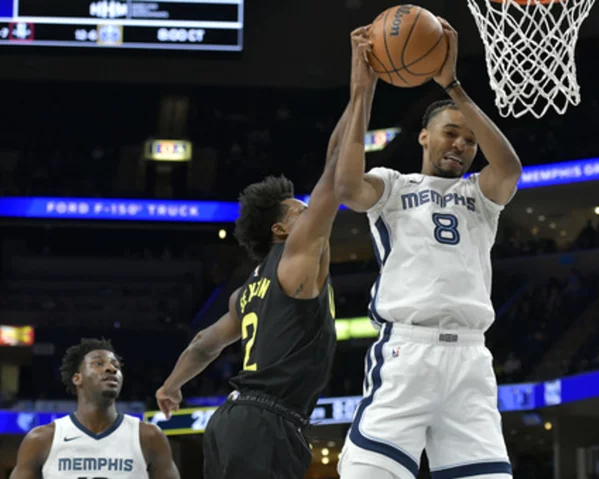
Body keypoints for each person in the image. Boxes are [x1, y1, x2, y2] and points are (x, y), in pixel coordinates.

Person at [154, 45, 377, 478]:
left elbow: (205, 343)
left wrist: (171, 384)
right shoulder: (296, 257)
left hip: (234, 422)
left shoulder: (246, 291)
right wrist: (362, 84)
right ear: (279, 229)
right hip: (264, 424)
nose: (310, 212)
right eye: (300, 210)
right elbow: (335, 169)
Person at [335, 19, 522, 479]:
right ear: (423, 136)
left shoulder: (482, 194)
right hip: (407, 354)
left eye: (469, 140)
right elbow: (345, 186)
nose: (460, 144)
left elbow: (511, 167)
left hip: (471, 362)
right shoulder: (394, 185)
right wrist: (363, 92)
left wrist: (454, 86)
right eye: (450, 133)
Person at [10, 338, 179, 479]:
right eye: (98, 363)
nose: (111, 368)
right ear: (77, 378)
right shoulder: (41, 439)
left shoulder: (149, 437)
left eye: (116, 366)